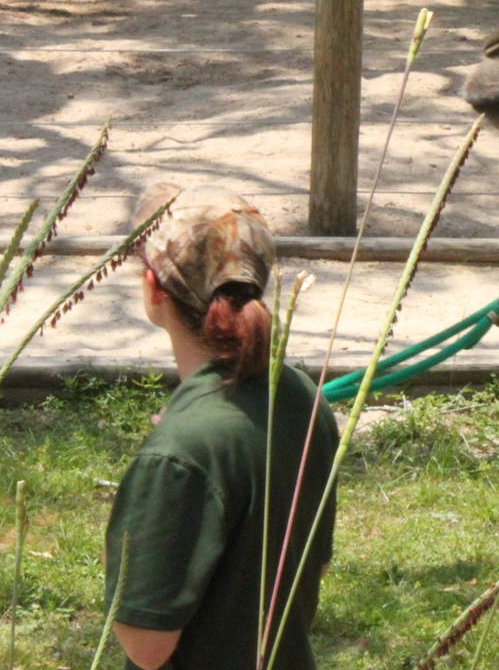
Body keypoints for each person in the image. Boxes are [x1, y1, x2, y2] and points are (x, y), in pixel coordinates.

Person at [104, 182, 338, 670]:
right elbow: (312, 563)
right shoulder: (301, 397)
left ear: (153, 286)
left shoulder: (179, 454)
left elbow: (146, 647)